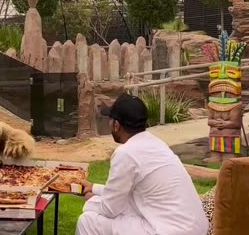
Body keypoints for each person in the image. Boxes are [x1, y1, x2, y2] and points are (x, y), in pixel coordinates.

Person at [76, 93, 209, 235]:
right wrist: (93, 188)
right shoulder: (156, 144)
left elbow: (109, 209)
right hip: (193, 228)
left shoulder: (126, 153)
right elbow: (123, 195)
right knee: (124, 209)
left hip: (171, 230)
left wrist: (91, 201)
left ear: (116, 125)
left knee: (88, 220)